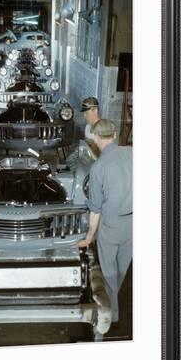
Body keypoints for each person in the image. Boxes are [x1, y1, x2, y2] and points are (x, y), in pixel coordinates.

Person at [77, 119, 132, 323]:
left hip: (111, 225)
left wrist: (89, 238)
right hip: (134, 223)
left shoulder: (98, 167)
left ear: (96, 138)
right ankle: (113, 302)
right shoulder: (133, 153)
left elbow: (96, 211)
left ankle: (112, 315)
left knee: (108, 272)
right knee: (122, 269)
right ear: (115, 134)